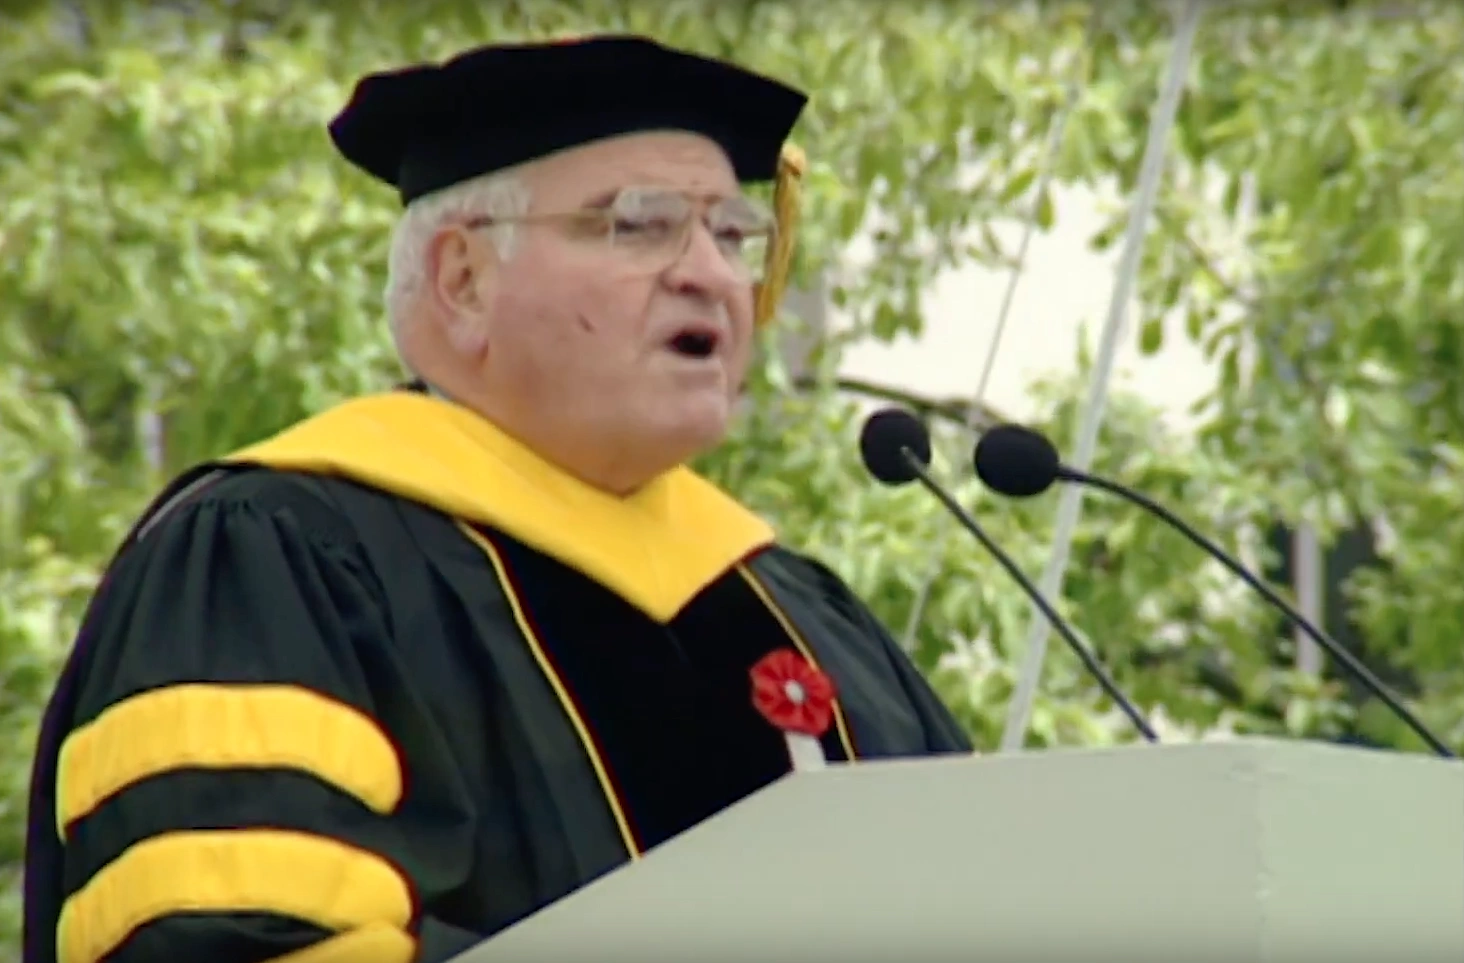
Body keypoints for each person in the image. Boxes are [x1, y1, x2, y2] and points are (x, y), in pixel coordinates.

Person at [22, 34, 973, 963]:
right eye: (638, 223)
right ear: (463, 280)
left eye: (733, 234)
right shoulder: (275, 562)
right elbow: (233, 939)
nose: (712, 274)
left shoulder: (802, 613)